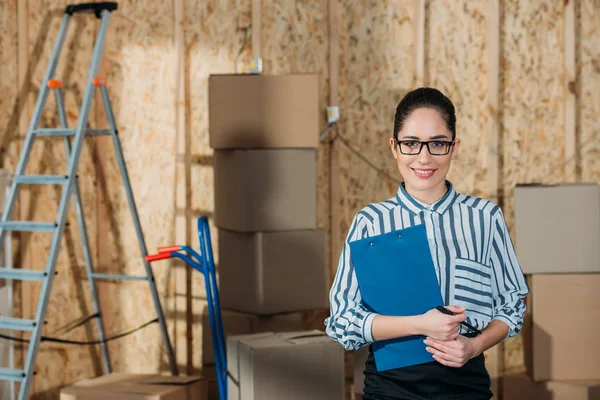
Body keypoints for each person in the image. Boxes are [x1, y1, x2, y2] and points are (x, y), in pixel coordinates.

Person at [325, 87, 529, 400]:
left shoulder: (485, 218)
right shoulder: (370, 223)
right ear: (394, 147)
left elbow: (512, 304)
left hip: (465, 388)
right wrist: (419, 324)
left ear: (454, 147)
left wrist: (474, 345)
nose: (424, 157)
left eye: (437, 144)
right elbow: (342, 323)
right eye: (410, 144)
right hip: (390, 389)